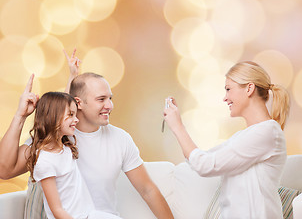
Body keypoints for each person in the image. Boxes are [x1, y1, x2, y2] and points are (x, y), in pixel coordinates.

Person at [0, 50, 174, 219]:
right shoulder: (53, 139)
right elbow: (5, 170)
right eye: (101, 99)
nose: (110, 106)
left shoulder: (120, 139)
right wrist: (20, 116)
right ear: (79, 103)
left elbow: (147, 189)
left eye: (110, 98)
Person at [163, 61, 290, 218]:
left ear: (249, 88)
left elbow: (204, 165)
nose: (225, 98)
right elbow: (199, 160)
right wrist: (177, 124)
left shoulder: (268, 132)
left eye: (229, 89)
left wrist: (178, 127)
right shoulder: (244, 137)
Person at [27, 91, 120, 219]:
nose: (76, 119)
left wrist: (72, 76)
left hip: (89, 215)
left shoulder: (65, 147)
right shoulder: (45, 161)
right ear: (53, 117)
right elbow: (57, 210)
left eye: (75, 114)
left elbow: (62, 103)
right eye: (71, 115)